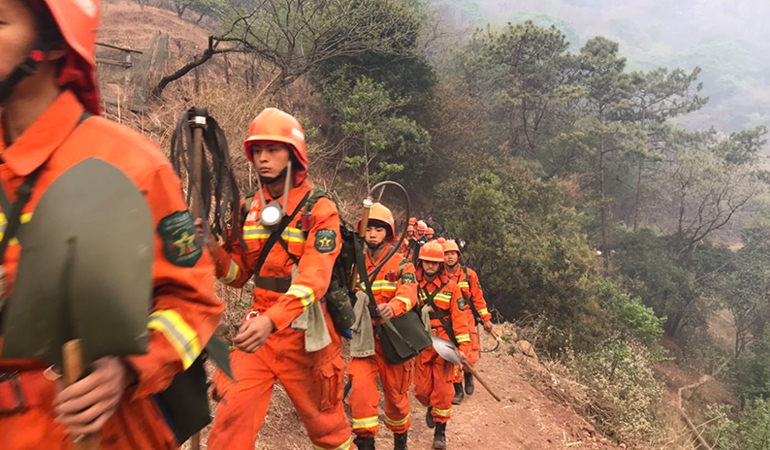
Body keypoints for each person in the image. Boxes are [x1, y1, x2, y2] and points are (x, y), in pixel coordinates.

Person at [0, 0, 222, 447]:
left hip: (85, 430)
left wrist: (126, 367)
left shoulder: (132, 167)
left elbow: (193, 302)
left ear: (53, 44)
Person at [204, 108, 352, 450]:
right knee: (230, 421)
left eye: (273, 150)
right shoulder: (247, 209)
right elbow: (238, 274)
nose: (262, 159)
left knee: (329, 432)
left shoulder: (321, 208)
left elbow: (316, 278)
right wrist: (211, 248)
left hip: (307, 334)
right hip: (259, 334)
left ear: (294, 154)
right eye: (257, 151)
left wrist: (274, 320)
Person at [349, 203, 418, 450]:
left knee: (397, 399)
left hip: (392, 340)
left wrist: (396, 305)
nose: (372, 234)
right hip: (365, 339)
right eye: (369, 229)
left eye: (379, 229)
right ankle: (366, 442)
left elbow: (410, 291)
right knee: (360, 390)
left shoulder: (401, 264)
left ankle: (400, 438)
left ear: (387, 234)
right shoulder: (354, 265)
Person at [413, 241, 472, 449]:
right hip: (422, 344)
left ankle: (440, 433)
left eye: (434, 263)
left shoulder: (452, 288)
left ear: (440, 265)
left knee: (443, 391)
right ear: (421, 263)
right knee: (421, 390)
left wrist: (463, 348)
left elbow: (460, 319)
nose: (430, 266)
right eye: (427, 262)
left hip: (445, 345)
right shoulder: (413, 286)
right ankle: (430, 407)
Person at [443, 240, 492, 404]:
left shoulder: (469, 275)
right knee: (453, 354)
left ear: (458, 256)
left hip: (467, 316)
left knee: (469, 352)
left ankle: (468, 375)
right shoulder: (440, 275)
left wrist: (486, 319)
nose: (449, 257)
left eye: (452, 254)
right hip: (448, 319)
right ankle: (458, 390)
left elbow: (478, 298)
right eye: (446, 254)